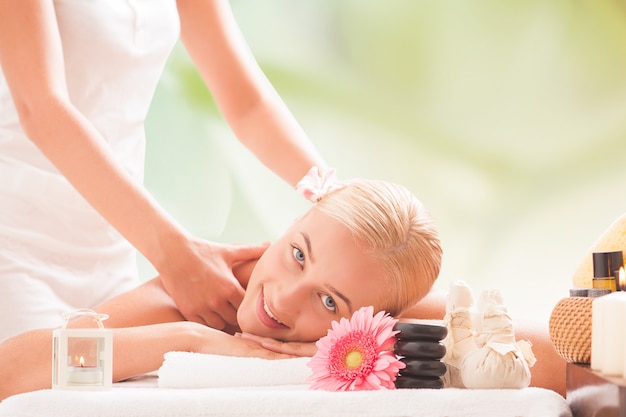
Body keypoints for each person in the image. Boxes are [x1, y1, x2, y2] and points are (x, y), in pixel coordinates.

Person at [0, 175, 566, 401]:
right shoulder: (201, 294)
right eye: (298, 254)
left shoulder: (378, 303)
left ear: (365, 320)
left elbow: (552, 348)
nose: (281, 299)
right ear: (293, 224)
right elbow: (15, 371)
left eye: (328, 302)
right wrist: (191, 339)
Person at [0, 1, 327, 342]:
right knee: (36, 385)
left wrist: (331, 193)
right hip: (16, 242)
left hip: (113, 245)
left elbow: (247, 104)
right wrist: (175, 255)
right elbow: (40, 109)